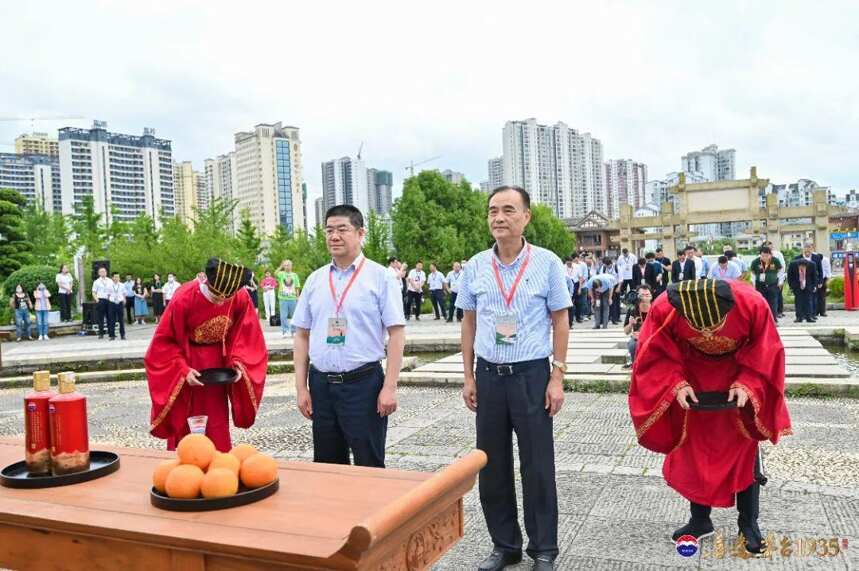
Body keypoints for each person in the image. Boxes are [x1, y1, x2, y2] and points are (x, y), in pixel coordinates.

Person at [628, 279, 792, 556]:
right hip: (691, 379)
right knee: (694, 453)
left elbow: (766, 349)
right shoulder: (664, 307)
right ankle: (700, 519)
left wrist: (748, 383)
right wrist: (674, 382)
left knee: (744, 450)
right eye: (699, 327)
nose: (707, 332)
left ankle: (748, 523)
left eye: (715, 326)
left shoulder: (751, 303)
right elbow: (653, 351)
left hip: (738, 374)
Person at [457, 186, 570, 571]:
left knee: (537, 464)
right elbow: (469, 322)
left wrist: (557, 376)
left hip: (531, 376)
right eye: (492, 211)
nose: (498, 218)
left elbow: (560, 319)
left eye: (508, 210)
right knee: (491, 464)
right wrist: (468, 375)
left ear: (526, 217)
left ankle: (544, 549)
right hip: (489, 376)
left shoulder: (547, 263)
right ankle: (505, 545)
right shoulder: (474, 266)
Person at [292, 205, 405, 468]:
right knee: (328, 466)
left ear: (360, 232)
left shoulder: (380, 277)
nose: (334, 236)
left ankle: (374, 510)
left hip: (363, 384)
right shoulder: (315, 280)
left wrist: (389, 387)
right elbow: (301, 335)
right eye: (329, 230)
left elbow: (397, 334)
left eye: (342, 229)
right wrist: (301, 388)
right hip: (321, 384)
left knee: (369, 463)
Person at [145, 258, 268, 452]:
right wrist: (182, 370)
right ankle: (187, 462)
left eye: (225, 298)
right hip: (189, 359)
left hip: (219, 364)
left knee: (216, 418)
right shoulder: (184, 297)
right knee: (189, 417)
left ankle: (219, 462)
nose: (220, 301)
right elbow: (164, 341)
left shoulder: (239, 296)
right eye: (215, 295)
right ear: (207, 283)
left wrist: (237, 363)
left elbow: (246, 335)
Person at [622, 284, 652, 368]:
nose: (645, 297)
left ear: (651, 296)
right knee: (632, 344)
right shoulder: (632, 309)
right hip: (637, 337)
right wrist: (631, 324)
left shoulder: (655, 307)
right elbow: (626, 331)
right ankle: (636, 366)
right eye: (642, 295)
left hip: (653, 336)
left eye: (647, 295)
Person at [750, 246, 781, 321]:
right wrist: (753, 284)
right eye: (763, 255)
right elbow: (753, 273)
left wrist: (780, 282)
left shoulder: (775, 261)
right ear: (760, 254)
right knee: (761, 302)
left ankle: (773, 319)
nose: (765, 257)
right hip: (760, 285)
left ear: (770, 255)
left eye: (767, 256)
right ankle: (761, 319)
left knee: (773, 302)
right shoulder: (755, 262)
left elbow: (780, 271)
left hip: (772, 284)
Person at [795, 243, 823, 317]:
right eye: (806, 248)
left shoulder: (816, 258)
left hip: (812, 281)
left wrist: (820, 281)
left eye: (809, 248)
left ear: (812, 249)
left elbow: (820, 270)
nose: (807, 249)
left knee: (812, 299)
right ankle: (802, 315)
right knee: (801, 299)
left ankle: (812, 315)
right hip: (800, 282)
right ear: (803, 249)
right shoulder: (797, 258)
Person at [787, 256, 818, 323]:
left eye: (804, 267)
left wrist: (814, 286)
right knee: (798, 301)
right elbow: (789, 276)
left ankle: (809, 317)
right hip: (797, 286)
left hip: (808, 285)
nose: (802, 268)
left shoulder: (812, 265)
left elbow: (814, 276)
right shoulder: (793, 265)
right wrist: (792, 286)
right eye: (800, 267)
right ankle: (799, 317)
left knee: (808, 301)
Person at [276, 260, 301, 337]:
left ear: (291, 266)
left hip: (292, 298)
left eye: (288, 265)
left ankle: (293, 331)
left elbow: (297, 286)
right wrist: (281, 266)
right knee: (283, 316)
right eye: (286, 265)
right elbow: (275, 273)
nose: (287, 266)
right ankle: (285, 330)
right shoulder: (281, 274)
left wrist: (298, 296)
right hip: (283, 298)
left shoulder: (294, 275)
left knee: (294, 316)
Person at [91, 267, 113, 339]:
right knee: (100, 318)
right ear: (99, 273)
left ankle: (111, 333)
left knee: (110, 317)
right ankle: (101, 334)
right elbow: (94, 292)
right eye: (101, 272)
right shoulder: (96, 282)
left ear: (106, 272)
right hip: (101, 300)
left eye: (104, 271)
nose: (103, 273)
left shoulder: (110, 280)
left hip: (109, 300)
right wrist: (97, 300)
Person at [107, 273, 127, 341]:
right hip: (112, 302)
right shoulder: (109, 285)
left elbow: (124, 293)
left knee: (121, 319)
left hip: (120, 302)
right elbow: (108, 294)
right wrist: (111, 301)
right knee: (112, 320)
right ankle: (112, 335)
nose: (117, 278)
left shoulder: (122, 285)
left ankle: (123, 335)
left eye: (118, 277)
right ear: (113, 278)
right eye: (115, 277)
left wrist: (124, 299)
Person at [818, 253, 831, 317]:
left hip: (823, 279)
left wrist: (827, 281)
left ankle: (822, 312)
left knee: (822, 296)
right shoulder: (814, 258)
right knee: (815, 296)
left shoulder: (826, 260)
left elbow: (828, 270)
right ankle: (815, 311)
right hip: (815, 278)